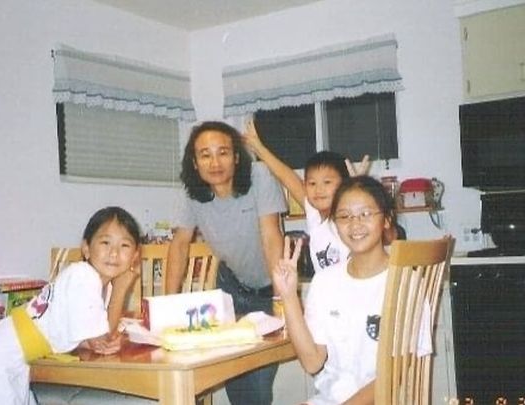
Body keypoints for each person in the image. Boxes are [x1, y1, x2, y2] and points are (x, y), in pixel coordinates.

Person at [0, 206, 142, 405]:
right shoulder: (84, 276)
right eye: (105, 242)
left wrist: (93, 340)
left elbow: (78, 335)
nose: (114, 253)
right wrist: (121, 289)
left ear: (135, 255)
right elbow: (103, 340)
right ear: (86, 248)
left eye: (124, 245)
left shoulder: (93, 283)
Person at [166, 120, 286, 405]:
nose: (215, 162)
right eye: (205, 154)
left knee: (257, 390)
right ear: (194, 162)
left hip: (268, 292)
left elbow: (271, 236)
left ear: (236, 157)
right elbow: (180, 244)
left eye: (223, 152)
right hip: (229, 289)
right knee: (235, 381)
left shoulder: (259, 176)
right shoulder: (191, 192)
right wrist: (168, 306)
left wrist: (282, 298)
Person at [272, 176, 397, 405]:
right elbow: (312, 363)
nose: (355, 224)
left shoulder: (403, 282)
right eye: (344, 216)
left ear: (386, 220)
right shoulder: (325, 282)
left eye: (365, 214)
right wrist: (289, 297)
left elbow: (398, 370)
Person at [242, 119, 371, 272]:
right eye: (312, 183)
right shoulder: (314, 216)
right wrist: (259, 148)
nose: (319, 189)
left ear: (344, 184)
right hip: (326, 286)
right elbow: (287, 177)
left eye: (327, 182)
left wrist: (356, 191)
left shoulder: (348, 219)